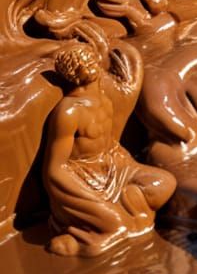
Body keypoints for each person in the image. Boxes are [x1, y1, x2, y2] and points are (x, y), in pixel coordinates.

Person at [43, 42, 175, 256]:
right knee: (120, 227)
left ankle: (126, 204)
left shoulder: (104, 99)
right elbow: (55, 169)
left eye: (89, 58)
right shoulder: (68, 112)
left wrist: (130, 167)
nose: (90, 64)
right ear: (73, 74)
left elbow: (111, 143)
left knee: (165, 184)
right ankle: (78, 240)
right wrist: (90, 200)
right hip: (83, 181)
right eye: (82, 63)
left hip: (114, 168)